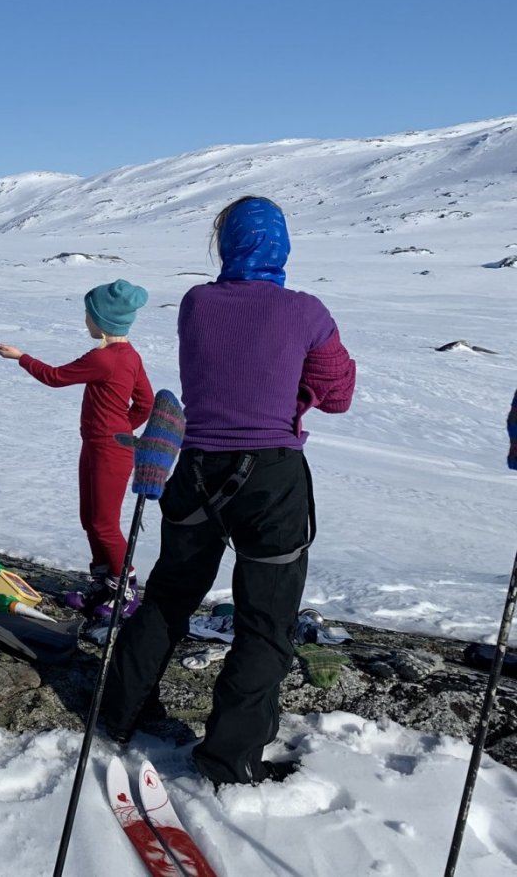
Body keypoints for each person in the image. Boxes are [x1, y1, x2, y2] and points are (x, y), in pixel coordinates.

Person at [101, 195, 356, 787]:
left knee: (169, 597)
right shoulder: (306, 311)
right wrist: (299, 392)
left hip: (194, 470)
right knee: (265, 619)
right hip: (271, 479)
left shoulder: (198, 302)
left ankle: (118, 713)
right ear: (282, 245)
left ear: (227, 245)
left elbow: (228, 369)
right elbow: (339, 394)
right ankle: (229, 758)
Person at [0, 279, 154, 618]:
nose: (85, 320)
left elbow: (54, 377)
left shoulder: (104, 359)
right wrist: (122, 429)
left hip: (109, 450)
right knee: (90, 519)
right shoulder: (130, 356)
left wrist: (21, 357)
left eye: (89, 315)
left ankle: (126, 592)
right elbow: (145, 403)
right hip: (98, 445)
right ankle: (104, 585)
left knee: (104, 524)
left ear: (104, 321)